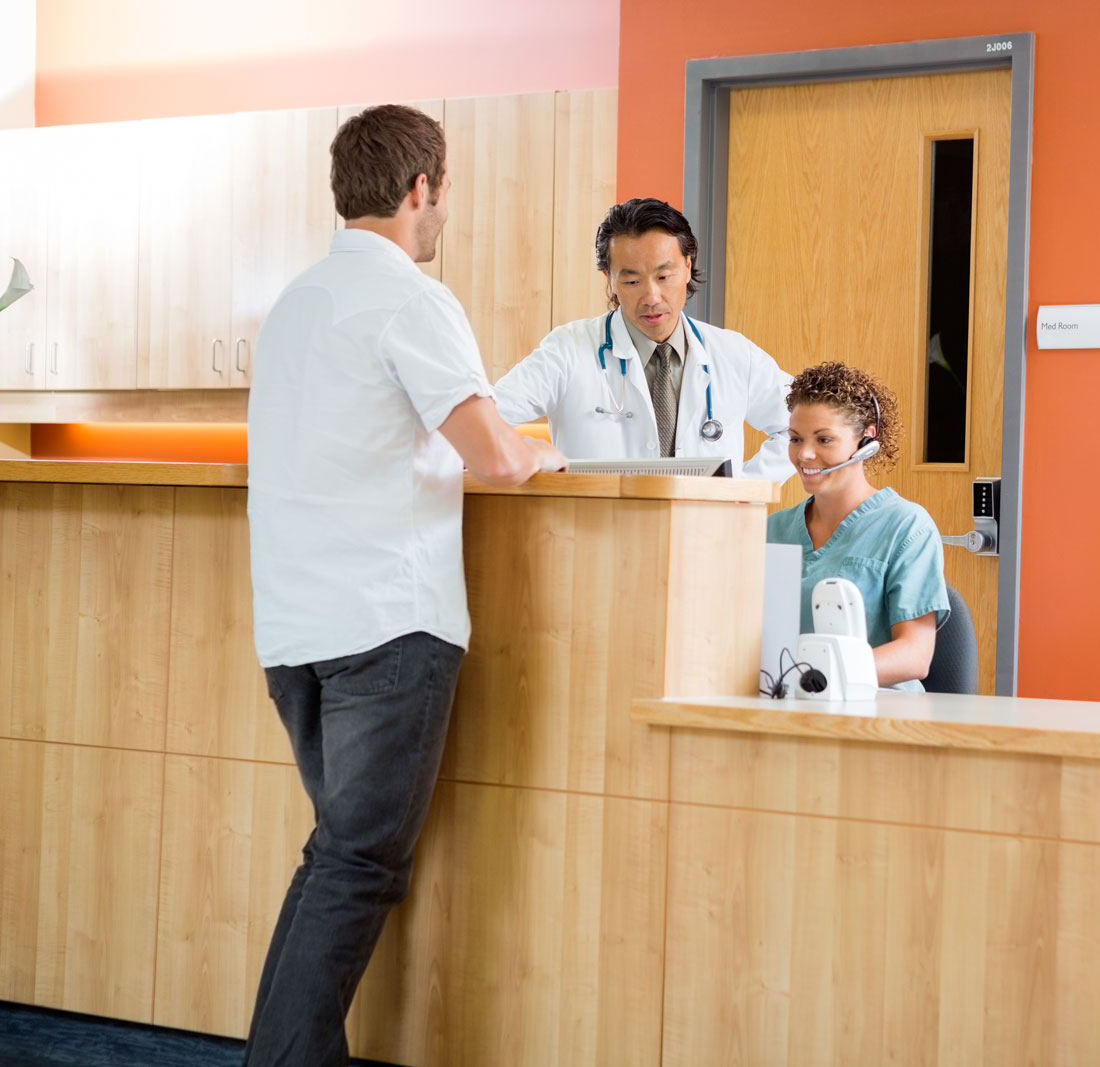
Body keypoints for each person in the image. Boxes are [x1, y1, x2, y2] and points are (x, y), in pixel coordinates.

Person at [243, 103, 567, 1066]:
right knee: (354, 864)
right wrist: (542, 458)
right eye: (444, 193)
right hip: (387, 628)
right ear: (420, 189)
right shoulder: (414, 301)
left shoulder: (295, 301)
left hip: (296, 634)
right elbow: (496, 458)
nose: (443, 213)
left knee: (337, 858)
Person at [492, 197, 793, 481]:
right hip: (597, 530)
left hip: (703, 531)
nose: (651, 297)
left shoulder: (733, 354)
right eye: (632, 281)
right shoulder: (567, 351)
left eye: (663, 277)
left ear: (688, 267)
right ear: (608, 278)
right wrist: (528, 450)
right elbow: (483, 421)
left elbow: (805, 424)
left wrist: (742, 489)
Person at [767, 362, 950, 691]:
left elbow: (915, 654)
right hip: (791, 709)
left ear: (866, 440)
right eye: (796, 439)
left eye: (824, 440)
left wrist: (821, 677)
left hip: (878, 714)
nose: (805, 454)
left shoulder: (906, 527)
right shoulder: (773, 529)